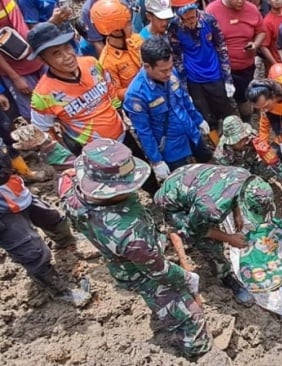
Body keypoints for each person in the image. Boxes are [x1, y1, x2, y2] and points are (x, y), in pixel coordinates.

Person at [11, 126, 212, 358]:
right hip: (143, 274)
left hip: (121, 260)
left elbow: (67, 165)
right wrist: (187, 278)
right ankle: (197, 350)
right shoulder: (129, 233)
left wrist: (46, 143)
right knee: (188, 316)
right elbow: (160, 271)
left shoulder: (71, 189)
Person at [27, 22, 159, 195]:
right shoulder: (42, 96)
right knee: (113, 190)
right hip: (94, 153)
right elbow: (43, 135)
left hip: (121, 135)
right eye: (56, 53)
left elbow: (110, 90)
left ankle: (157, 198)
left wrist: (118, 116)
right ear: (43, 59)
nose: (67, 56)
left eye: (67, 48)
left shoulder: (91, 64)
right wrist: (69, 161)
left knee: (143, 171)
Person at [154, 164, 276, 306]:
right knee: (207, 243)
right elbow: (197, 230)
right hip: (172, 202)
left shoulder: (245, 176)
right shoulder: (211, 209)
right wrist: (229, 238)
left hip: (188, 179)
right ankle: (226, 276)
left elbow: (235, 193)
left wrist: (237, 212)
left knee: (205, 218)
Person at [0, 142, 90, 308]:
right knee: (32, 251)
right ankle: (58, 289)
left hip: (15, 192)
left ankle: (66, 242)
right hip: (3, 214)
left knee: (53, 218)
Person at [124, 36, 213, 181]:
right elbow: (144, 132)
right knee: (185, 182)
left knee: (209, 164)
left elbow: (184, 99)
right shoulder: (137, 95)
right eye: (163, 70)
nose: (168, 73)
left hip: (190, 132)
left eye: (170, 68)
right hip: (171, 147)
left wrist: (198, 120)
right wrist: (156, 160)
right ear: (147, 67)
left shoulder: (171, 74)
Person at [168, 0, 237, 145]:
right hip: (193, 77)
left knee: (225, 110)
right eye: (186, 19)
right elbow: (176, 56)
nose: (190, 22)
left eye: (192, 17)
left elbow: (221, 46)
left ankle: (234, 141)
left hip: (214, 73)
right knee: (204, 114)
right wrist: (184, 86)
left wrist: (228, 78)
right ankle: (217, 145)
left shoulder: (209, 20)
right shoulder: (174, 27)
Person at [206, 0, 267, 122]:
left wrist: (255, 44)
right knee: (223, 102)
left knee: (244, 99)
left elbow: (261, 31)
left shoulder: (251, 9)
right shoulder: (212, 11)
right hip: (220, 69)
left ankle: (247, 123)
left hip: (245, 67)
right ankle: (226, 127)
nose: (240, 1)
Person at [214, 115, 282, 196]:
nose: (243, 142)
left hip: (254, 165)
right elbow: (229, 181)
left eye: (243, 138)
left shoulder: (251, 137)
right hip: (239, 176)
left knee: (269, 169)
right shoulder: (221, 156)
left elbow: (270, 156)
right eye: (238, 141)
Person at [0, 0, 46, 120]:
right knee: (33, 111)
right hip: (16, 70)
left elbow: (25, 28)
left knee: (56, 98)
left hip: (37, 58)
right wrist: (15, 78)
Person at [92, 0, 144, 101]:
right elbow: (115, 93)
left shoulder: (137, 39)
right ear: (115, 31)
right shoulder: (106, 63)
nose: (131, 26)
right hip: (138, 101)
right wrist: (141, 89)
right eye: (127, 24)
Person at [260, 0, 282, 66]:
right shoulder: (267, 22)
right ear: (268, 1)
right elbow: (264, 47)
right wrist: (275, 64)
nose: (277, 0)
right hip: (280, 62)